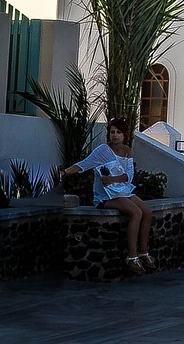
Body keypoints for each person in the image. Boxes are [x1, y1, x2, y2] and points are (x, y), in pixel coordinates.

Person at [61, 117, 155, 275]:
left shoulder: (127, 150)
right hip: (106, 196)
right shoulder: (103, 150)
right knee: (136, 213)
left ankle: (143, 252)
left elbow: (129, 175)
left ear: (124, 135)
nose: (115, 135)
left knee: (147, 211)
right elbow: (84, 164)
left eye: (118, 132)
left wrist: (113, 179)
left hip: (122, 190)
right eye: (112, 132)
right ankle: (132, 256)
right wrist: (64, 172)